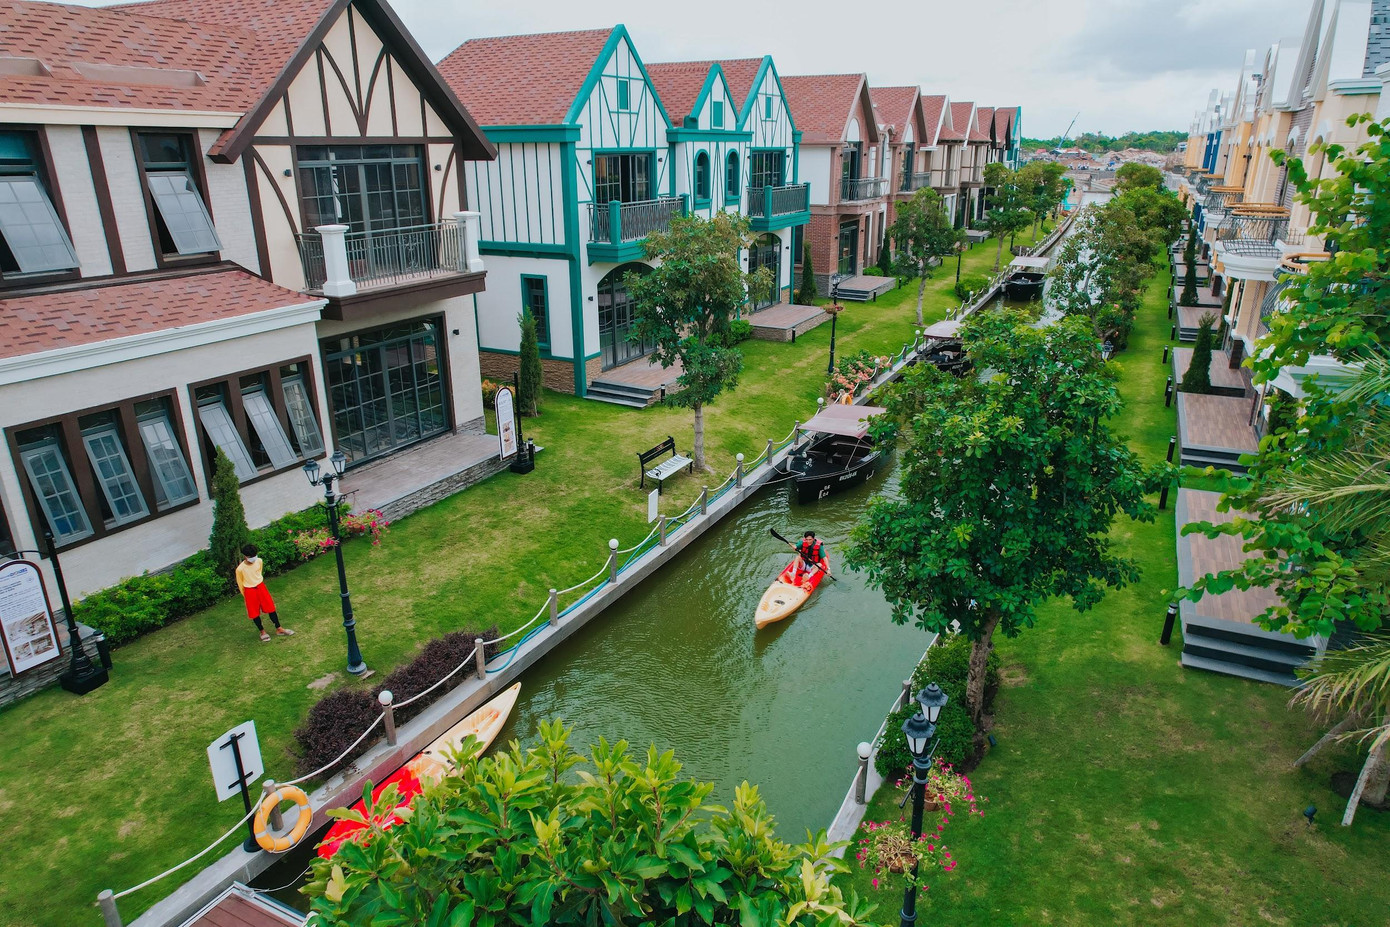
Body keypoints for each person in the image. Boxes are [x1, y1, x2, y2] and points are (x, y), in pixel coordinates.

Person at [235, 544, 293, 642]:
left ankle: (279, 628)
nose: (253, 558)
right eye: (251, 556)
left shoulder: (259, 561)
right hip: (249, 590)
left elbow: (259, 572)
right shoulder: (240, 569)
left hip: (261, 587)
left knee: (271, 607)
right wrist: (246, 595)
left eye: (254, 555)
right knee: (254, 613)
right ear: (245, 556)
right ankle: (262, 632)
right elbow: (240, 584)